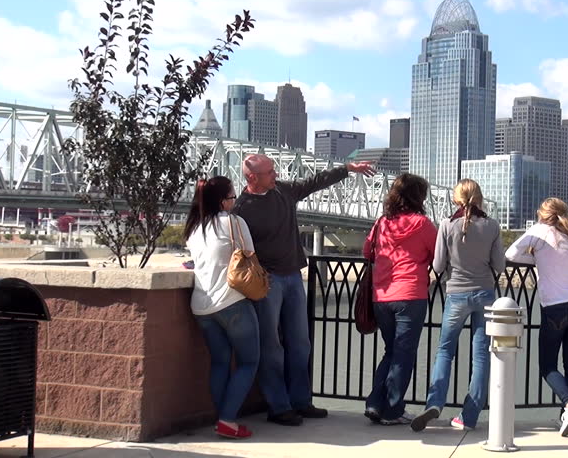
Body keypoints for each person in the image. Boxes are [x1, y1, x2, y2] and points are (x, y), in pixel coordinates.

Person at [232, 154, 375, 426]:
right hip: (268, 283)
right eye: (269, 172)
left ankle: (301, 401)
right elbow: (238, 252)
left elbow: (315, 181)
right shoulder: (242, 209)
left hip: (294, 278)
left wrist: (347, 168)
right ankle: (279, 407)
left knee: (300, 343)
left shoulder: (283, 191)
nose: (276, 175)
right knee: (271, 347)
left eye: (274, 170)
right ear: (252, 177)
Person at [411, 179, 505, 432]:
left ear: (456, 199)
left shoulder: (446, 225)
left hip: (456, 295)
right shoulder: (492, 226)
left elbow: (439, 266)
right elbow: (500, 266)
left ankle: (435, 403)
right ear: (479, 198)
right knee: (481, 355)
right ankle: (469, 416)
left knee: (445, 351)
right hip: (485, 294)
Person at [505, 197, 568, 437]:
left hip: (555, 309)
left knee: (547, 366)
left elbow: (511, 253)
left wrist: (535, 259)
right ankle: (566, 415)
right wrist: (541, 258)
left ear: (542, 214)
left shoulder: (540, 231)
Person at [185, 176, 260, 439]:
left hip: (201, 305)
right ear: (222, 200)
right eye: (231, 197)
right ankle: (227, 420)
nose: (234, 201)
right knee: (249, 361)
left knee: (219, 362)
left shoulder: (194, 228)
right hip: (232, 302)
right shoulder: (235, 223)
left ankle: (222, 418)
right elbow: (249, 255)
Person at [363, 173, 438, 425]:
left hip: (381, 296)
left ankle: (375, 403)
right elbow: (438, 256)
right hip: (410, 295)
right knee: (404, 355)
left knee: (391, 351)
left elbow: (366, 251)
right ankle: (392, 410)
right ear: (419, 196)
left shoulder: (382, 223)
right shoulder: (423, 224)